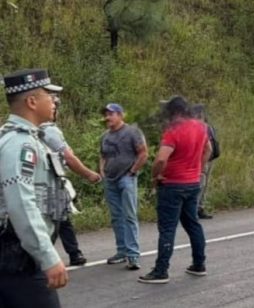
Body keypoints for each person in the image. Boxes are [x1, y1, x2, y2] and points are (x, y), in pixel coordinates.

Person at [0, 69, 68, 307]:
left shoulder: (27, 138)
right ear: (31, 101)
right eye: (49, 95)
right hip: (20, 259)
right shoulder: (20, 144)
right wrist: (47, 257)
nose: (54, 101)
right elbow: (21, 202)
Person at [139, 95, 211, 284]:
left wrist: (155, 176)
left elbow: (161, 159)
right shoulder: (201, 127)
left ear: (173, 112)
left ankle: (161, 270)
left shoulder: (173, 131)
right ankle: (199, 264)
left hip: (172, 184)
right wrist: (199, 169)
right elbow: (209, 149)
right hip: (192, 183)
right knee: (193, 224)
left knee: (167, 228)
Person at [41, 108, 102, 267]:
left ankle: (72, 253)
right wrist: (88, 174)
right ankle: (55, 257)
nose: (54, 108)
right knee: (58, 220)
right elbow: (68, 156)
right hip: (51, 181)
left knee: (57, 219)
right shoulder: (49, 130)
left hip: (41, 182)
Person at [100, 103, 147, 271]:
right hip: (110, 180)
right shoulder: (105, 136)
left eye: (111, 114)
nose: (108, 117)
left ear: (120, 115)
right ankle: (121, 251)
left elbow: (143, 153)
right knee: (116, 216)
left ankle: (133, 255)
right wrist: (102, 172)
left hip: (126, 178)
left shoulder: (132, 132)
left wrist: (133, 171)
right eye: (106, 114)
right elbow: (103, 155)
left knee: (129, 215)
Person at [190, 104, 219, 219]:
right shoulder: (203, 127)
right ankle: (196, 209)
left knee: (203, 184)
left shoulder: (204, 127)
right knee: (201, 184)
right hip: (205, 159)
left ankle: (198, 208)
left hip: (206, 158)